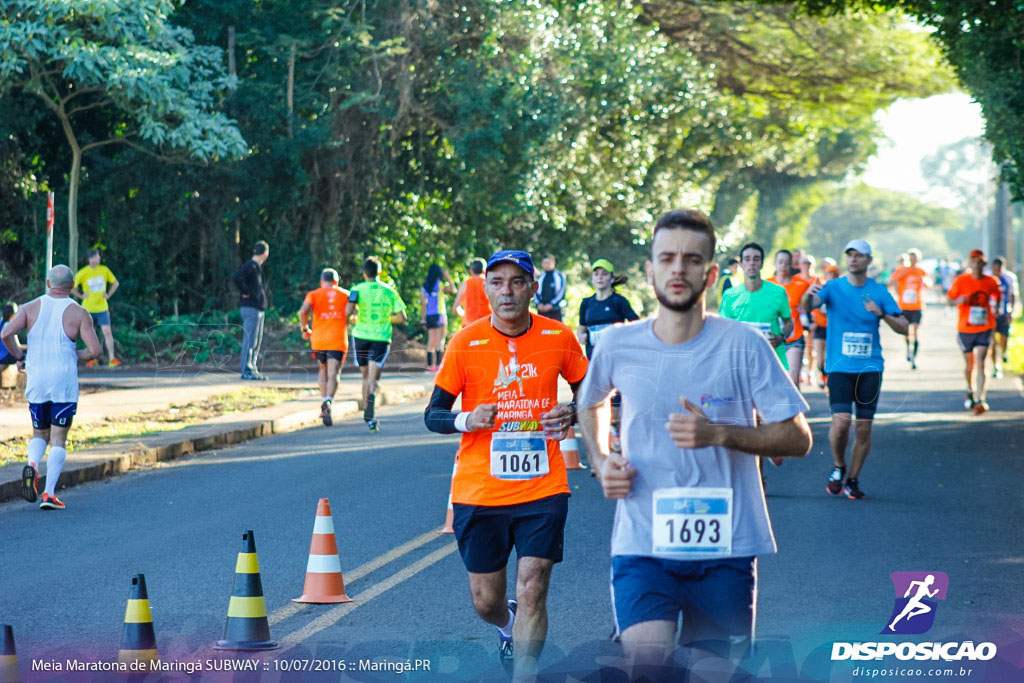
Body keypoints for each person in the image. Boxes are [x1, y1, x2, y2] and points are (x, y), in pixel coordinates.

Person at [577, 209, 811, 678]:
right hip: (643, 542)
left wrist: (720, 432)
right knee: (648, 668)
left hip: (725, 548)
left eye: (691, 258)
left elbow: (797, 437)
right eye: (666, 258)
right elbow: (591, 402)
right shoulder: (618, 345)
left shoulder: (745, 345)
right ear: (650, 270)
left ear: (711, 273)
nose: (678, 269)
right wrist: (602, 460)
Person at [423, 249, 587, 680]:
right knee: (486, 601)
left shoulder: (559, 337)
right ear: (486, 289)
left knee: (533, 588)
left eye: (517, 281)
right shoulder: (465, 341)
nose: (507, 291)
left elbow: (592, 392)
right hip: (480, 489)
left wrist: (571, 412)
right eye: (497, 282)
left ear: (533, 287)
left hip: (543, 487)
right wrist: (465, 418)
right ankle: (506, 625)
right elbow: (433, 414)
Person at [803, 239, 908, 500]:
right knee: (840, 425)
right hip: (839, 367)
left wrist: (881, 314)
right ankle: (839, 466)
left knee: (863, 428)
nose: (853, 259)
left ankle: (853, 478)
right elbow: (810, 305)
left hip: (870, 368)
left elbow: (904, 326)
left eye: (859, 256)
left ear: (868, 260)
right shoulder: (833, 287)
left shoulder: (879, 291)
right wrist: (808, 295)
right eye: (849, 255)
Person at [1, 265, 102, 510]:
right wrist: (74, 353)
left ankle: (32, 465)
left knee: (39, 433)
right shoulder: (79, 313)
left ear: (48, 284)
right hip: (63, 382)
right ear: (72, 287)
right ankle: (48, 494)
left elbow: (5, 333)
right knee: (58, 438)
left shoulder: (30, 307)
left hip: (37, 379)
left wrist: (18, 356)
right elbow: (95, 351)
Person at [346, 257, 407, 432]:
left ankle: (368, 414)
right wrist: (386, 318)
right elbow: (402, 317)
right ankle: (371, 407)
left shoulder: (357, 289)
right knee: (374, 378)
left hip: (361, 335)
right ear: (379, 272)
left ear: (364, 272)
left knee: (365, 376)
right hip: (381, 336)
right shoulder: (389, 291)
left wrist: (351, 319)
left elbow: (348, 311)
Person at [718, 243, 792, 370]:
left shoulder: (778, 292)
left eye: (756, 259)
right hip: (741, 363)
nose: (751, 263)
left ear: (761, 264)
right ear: (741, 264)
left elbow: (789, 323)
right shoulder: (730, 295)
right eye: (747, 259)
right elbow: (723, 329)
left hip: (772, 363)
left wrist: (780, 338)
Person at [946, 249, 1001, 414]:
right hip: (965, 328)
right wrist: (958, 301)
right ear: (970, 263)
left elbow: (997, 297)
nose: (976, 265)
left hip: (985, 327)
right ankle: (969, 388)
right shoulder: (961, 280)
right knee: (970, 365)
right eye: (974, 261)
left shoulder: (991, 281)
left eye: (980, 262)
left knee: (981, 362)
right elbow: (949, 300)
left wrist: (997, 309)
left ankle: (980, 399)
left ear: (984, 264)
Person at [299, 269, 350, 426]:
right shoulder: (346, 294)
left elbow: (303, 311)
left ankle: (323, 400)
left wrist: (304, 327)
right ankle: (328, 401)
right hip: (337, 339)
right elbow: (352, 315)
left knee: (322, 369)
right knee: (333, 372)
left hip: (319, 339)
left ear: (322, 281)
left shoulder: (314, 294)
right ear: (337, 281)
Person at [577, 258, 640, 359]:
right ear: (592, 279)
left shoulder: (619, 301)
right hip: (594, 357)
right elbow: (582, 328)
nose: (600, 277)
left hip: (616, 357)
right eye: (596, 274)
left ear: (612, 279)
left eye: (604, 274)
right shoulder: (586, 303)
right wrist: (582, 336)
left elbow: (636, 325)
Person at [768, 250, 811, 388]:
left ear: (791, 265)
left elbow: (808, 307)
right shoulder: (766, 285)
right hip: (772, 339)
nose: (783, 266)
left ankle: (796, 409)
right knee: (772, 383)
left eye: (787, 263)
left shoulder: (801, 284)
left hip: (794, 337)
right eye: (780, 262)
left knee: (792, 381)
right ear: (775, 263)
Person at [72, 249, 120, 367]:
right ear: (90, 259)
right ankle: (92, 359)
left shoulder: (104, 270)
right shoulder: (83, 273)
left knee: (107, 332)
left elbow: (116, 283)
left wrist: (108, 294)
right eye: (96, 256)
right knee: (89, 333)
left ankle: (112, 358)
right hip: (88, 308)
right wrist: (81, 296)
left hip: (102, 307)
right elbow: (72, 287)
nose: (99, 258)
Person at [232, 240, 269, 380]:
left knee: (255, 341)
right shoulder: (251, 265)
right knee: (250, 339)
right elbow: (236, 278)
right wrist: (246, 292)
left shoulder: (255, 266)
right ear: (265, 253)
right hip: (250, 307)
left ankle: (252, 368)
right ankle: (246, 369)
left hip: (257, 308)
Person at [890, 248, 930, 370]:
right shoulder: (901, 270)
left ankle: (914, 357)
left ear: (918, 259)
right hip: (904, 306)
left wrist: (925, 281)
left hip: (917, 306)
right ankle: (909, 349)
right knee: (906, 332)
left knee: (916, 332)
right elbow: (890, 283)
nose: (913, 261)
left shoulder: (921, 271)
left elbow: (929, 284)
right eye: (911, 258)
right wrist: (899, 277)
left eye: (915, 258)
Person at [420, 264, 456, 371]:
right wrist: (448, 277)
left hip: (429, 316)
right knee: (440, 341)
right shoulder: (440, 285)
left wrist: (423, 318)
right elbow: (453, 291)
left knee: (431, 341)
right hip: (440, 315)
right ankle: (439, 366)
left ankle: (430, 365)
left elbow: (423, 303)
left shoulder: (425, 286)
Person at [810, 264, 840, 388]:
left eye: (833, 275)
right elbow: (809, 305)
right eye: (829, 274)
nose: (831, 277)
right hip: (819, 327)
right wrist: (812, 321)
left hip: (832, 328)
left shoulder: (839, 292)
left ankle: (828, 379)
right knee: (820, 357)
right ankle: (822, 375)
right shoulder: (821, 289)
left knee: (829, 356)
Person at [989, 257, 1018, 378]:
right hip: (991, 314)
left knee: (1004, 338)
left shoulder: (1009, 278)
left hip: (1004, 312)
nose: (997, 271)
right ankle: (996, 365)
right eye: (995, 269)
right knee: (992, 342)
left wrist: (1011, 311)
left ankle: (1004, 352)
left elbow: (1013, 295)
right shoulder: (989, 278)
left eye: (999, 269)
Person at [453, 258, 492, 325]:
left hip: (469, 325)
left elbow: (455, 309)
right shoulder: (489, 284)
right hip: (486, 324)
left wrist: (465, 315)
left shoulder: (465, 284)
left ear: (471, 271)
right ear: (484, 271)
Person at [533, 254, 566, 321]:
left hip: (556, 310)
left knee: (556, 331)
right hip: (542, 310)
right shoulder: (540, 277)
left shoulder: (559, 276)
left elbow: (562, 292)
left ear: (553, 262)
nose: (547, 265)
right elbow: (535, 291)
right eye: (545, 263)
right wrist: (538, 304)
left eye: (548, 263)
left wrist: (551, 304)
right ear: (542, 264)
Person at [0, 302, 21, 367]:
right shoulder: (10, 326)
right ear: (12, 314)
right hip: (5, 357)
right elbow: (18, 347)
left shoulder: (1, 322)